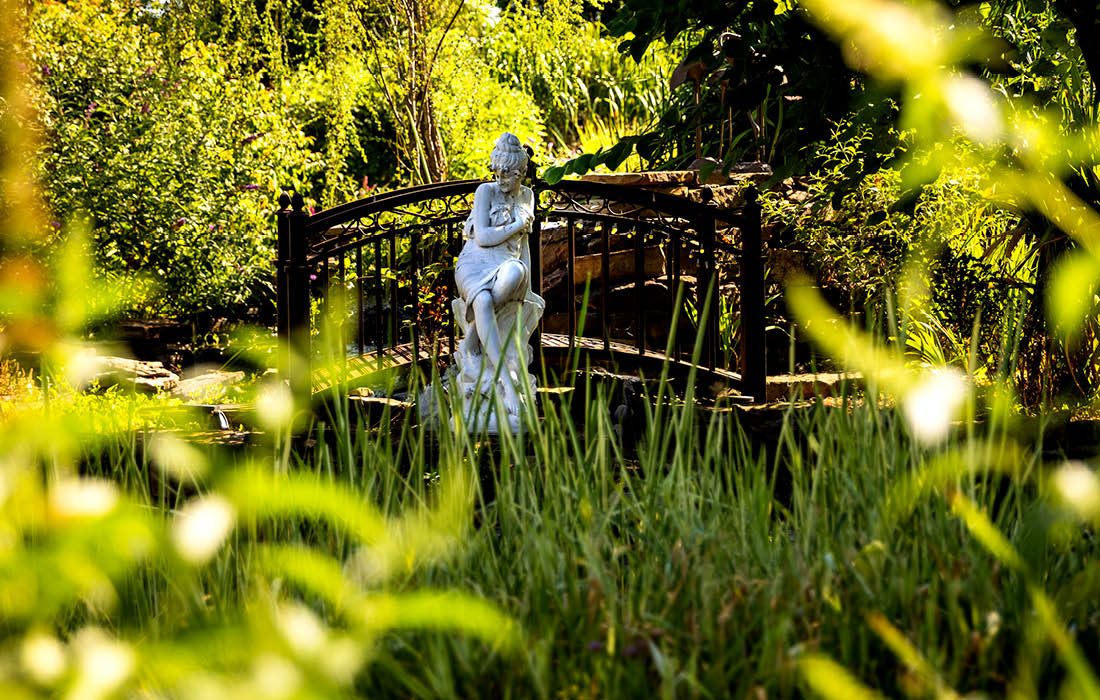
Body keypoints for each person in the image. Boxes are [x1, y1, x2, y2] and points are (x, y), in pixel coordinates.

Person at [453, 133, 544, 419]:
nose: (501, 177)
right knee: (481, 301)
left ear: (521, 173)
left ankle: (472, 339)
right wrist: (515, 224)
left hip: (507, 262)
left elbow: (523, 245)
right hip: (474, 263)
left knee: (517, 273)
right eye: (498, 171)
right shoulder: (485, 192)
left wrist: (527, 288)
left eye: (509, 173)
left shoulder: (527, 195)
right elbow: (482, 236)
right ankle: (506, 381)